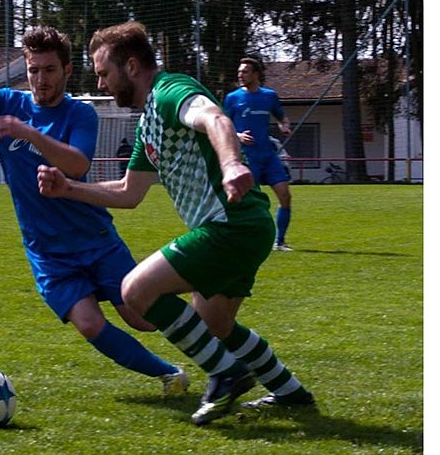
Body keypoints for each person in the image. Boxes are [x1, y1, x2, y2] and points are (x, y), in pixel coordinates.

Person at [37, 21, 314, 426]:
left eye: (103, 72)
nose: (100, 82)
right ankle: (290, 391)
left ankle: (227, 374)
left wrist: (232, 162)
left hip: (230, 225)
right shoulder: (149, 122)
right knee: (214, 325)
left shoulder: (170, 92)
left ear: (131, 67)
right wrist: (68, 189)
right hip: (243, 226)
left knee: (135, 289)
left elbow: (214, 117)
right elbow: (129, 193)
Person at [0, 16, 189, 397]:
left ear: (67, 70)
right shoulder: (7, 103)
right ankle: (170, 374)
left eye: (50, 70)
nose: (41, 79)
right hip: (47, 250)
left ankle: (211, 317)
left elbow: (77, 164)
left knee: (142, 318)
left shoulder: (80, 113)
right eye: (33, 70)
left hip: (93, 237)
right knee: (89, 324)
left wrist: (29, 133)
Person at [223, 58, 295, 251]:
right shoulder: (232, 98)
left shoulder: (269, 96)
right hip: (246, 158)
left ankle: (279, 242)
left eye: (245, 71)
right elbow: (223, 125)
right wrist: (237, 135)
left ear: (256, 74)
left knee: (285, 196)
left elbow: (281, 116)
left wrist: (284, 125)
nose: (241, 75)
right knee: (246, 203)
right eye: (239, 71)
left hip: (269, 157)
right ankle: (239, 239)